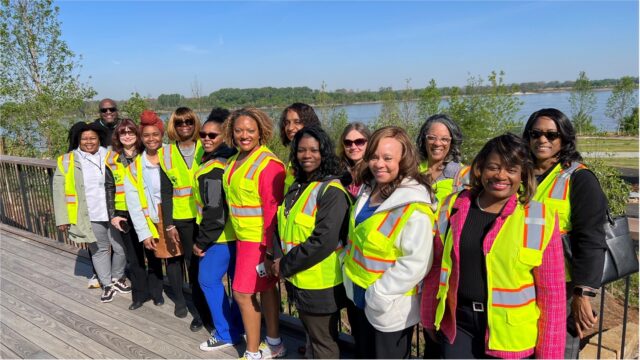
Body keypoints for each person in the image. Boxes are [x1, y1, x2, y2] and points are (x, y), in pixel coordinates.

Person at [421, 133, 566, 359]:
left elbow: (552, 296)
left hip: (511, 335)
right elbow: (437, 266)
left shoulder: (540, 218)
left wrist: (549, 355)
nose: (501, 176)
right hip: (459, 325)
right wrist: (429, 316)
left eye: (511, 169)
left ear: (523, 175)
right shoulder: (452, 207)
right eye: (493, 167)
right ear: (479, 169)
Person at [342, 126, 435, 359]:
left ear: (404, 160)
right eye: (374, 157)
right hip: (358, 294)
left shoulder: (413, 206)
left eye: (387, 158)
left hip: (388, 304)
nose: (379, 164)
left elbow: (416, 263)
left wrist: (379, 294)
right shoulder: (369, 188)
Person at [522, 108, 607, 359]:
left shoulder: (578, 178)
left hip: (564, 287)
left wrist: (584, 293)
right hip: (523, 282)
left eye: (551, 135)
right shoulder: (519, 174)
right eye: (535, 133)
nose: (543, 140)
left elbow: (591, 238)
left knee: (559, 349)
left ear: (564, 139)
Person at [271, 126, 351, 359]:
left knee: (323, 343)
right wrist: (278, 258)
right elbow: (282, 226)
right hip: (300, 280)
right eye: (302, 150)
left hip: (321, 285)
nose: (307, 155)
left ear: (324, 153)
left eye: (314, 150)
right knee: (312, 341)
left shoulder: (332, 191)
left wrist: (284, 265)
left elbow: (323, 242)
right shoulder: (298, 186)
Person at [221, 107, 286, 360]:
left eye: (250, 130)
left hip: (257, 242)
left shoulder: (268, 164)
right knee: (267, 288)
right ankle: (275, 342)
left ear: (261, 132)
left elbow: (272, 210)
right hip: (242, 238)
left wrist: (269, 251)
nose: (244, 135)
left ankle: (253, 352)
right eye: (238, 130)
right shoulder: (235, 159)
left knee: (241, 293)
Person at [53, 122, 128, 303]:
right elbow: (58, 190)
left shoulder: (111, 156)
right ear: (78, 140)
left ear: (99, 139)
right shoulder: (67, 160)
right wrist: (62, 218)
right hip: (89, 214)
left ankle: (117, 278)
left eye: (92, 138)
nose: (89, 141)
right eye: (84, 138)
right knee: (99, 249)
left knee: (121, 248)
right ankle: (106, 284)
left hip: (113, 212)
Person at [192, 108, 245, 351]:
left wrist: (201, 242)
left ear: (224, 136)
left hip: (219, 237)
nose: (206, 139)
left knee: (208, 280)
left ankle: (226, 332)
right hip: (237, 234)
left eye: (213, 135)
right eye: (203, 134)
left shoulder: (213, 169)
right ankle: (238, 325)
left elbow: (214, 212)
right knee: (236, 286)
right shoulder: (230, 159)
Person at [158, 106, 211, 330]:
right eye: (179, 123)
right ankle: (200, 313)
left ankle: (215, 310)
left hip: (208, 218)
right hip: (182, 219)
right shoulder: (166, 153)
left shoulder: (207, 146)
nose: (185, 126)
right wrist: (169, 224)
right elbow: (166, 192)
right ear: (174, 126)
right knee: (193, 265)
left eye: (189, 122)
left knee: (209, 266)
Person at [106, 118, 163, 310]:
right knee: (134, 256)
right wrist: (113, 214)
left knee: (153, 252)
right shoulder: (112, 160)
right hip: (124, 214)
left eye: (131, 132)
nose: (127, 136)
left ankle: (157, 292)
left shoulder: (147, 155)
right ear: (118, 137)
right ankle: (139, 294)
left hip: (146, 212)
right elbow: (109, 188)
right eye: (123, 133)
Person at [124, 111, 174, 310]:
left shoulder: (171, 155)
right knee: (152, 255)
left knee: (175, 260)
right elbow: (134, 204)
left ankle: (179, 296)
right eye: (146, 135)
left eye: (155, 134)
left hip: (173, 215)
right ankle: (156, 293)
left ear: (162, 135)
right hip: (151, 217)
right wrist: (144, 232)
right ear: (141, 138)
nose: (151, 139)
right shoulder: (135, 168)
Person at [416, 114, 470, 205]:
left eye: (444, 139)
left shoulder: (463, 175)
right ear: (423, 139)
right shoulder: (412, 169)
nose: (437, 143)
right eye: (431, 138)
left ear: (452, 142)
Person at [278, 103, 321, 193]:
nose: (290, 128)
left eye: (297, 122)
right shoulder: (293, 158)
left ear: (309, 124)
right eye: (287, 123)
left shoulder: (315, 158)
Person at [337, 122, 371, 198]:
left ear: (369, 143)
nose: (353, 147)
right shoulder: (339, 172)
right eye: (348, 142)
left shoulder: (372, 172)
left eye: (359, 142)